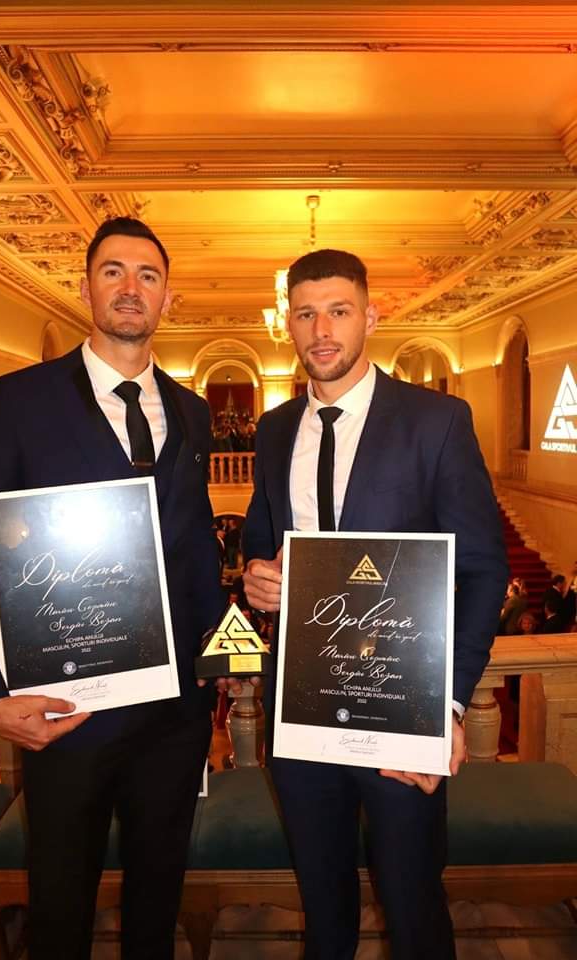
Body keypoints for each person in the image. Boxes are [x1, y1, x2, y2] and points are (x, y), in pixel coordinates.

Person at [0, 216, 224, 960]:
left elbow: (195, 545)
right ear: (86, 287)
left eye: (148, 275)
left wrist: (221, 652)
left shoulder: (191, 412)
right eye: (113, 271)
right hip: (66, 708)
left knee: (157, 902)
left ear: (167, 297)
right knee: (60, 907)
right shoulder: (18, 399)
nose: (131, 288)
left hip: (175, 712)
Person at [239, 249, 507, 960]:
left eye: (339, 310)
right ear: (287, 324)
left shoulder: (437, 421)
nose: (321, 330)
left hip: (403, 706)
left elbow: (484, 571)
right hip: (301, 706)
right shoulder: (274, 430)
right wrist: (258, 577)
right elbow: (262, 543)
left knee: (413, 903)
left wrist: (450, 704)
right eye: (305, 314)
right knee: (323, 904)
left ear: (371, 316)